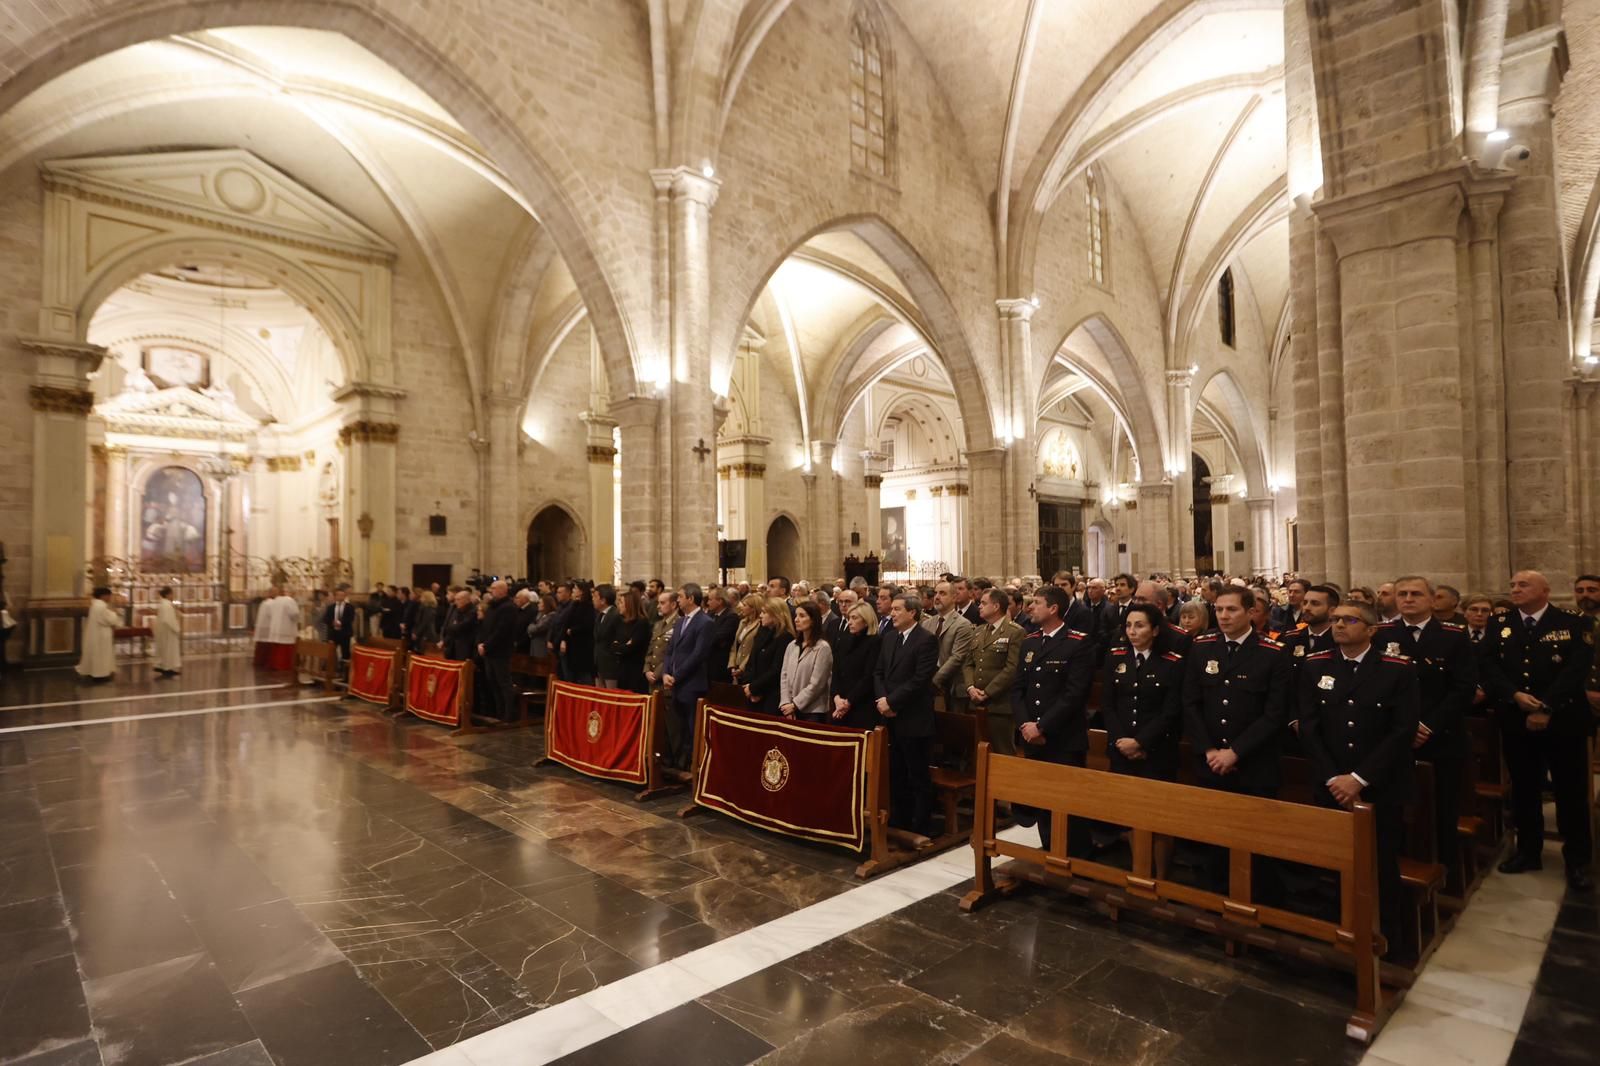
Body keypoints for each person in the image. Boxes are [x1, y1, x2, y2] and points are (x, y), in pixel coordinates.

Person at [1299, 602, 1420, 948]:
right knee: (1335, 863)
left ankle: (1386, 939)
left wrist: (1359, 779)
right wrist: (1334, 778)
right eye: (1336, 619)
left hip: (1380, 784)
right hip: (1331, 783)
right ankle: (1340, 934)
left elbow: (1401, 730)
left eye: (1349, 620)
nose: (1339, 625)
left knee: (1380, 863)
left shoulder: (1396, 669)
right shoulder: (1314, 665)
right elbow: (1309, 727)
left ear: (1371, 630)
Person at [1480, 571, 1594, 891]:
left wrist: (1545, 707)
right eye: (1513, 585)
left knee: (1570, 791)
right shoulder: (1500, 622)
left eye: (1523, 585)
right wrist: (1514, 695)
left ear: (1545, 590)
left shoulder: (1573, 621)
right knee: (1524, 787)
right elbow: (1488, 664)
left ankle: (1578, 860)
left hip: (1564, 719)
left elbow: (1577, 668)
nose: (1515, 589)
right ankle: (1528, 852)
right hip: (1516, 717)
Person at [1382, 575, 1475, 888]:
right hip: (1395, 738)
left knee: (1443, 809)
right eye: (1403, 594)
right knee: (1397, 810)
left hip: (1441, 735)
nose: (1408, 599)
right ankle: (1399, 870)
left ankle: (1445, 872)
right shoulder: (1382, 634)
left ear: (1432, 599)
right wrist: (1403, 727)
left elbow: (1462, 688)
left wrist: (1428, 725)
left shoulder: (1453, 635)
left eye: (1416, 594)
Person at [1182, 586, 1291, 798]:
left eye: (1231, 609)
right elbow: (1190, 702)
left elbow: (1275, 713)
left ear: (1250, 612)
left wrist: (1235, 752)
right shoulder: (1202, 646)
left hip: (1254, 762)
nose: (1223, 616)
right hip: (1210, 760)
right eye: (1218, 609)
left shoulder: (1273, 652)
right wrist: (1209, 750)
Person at [1012, 585, 1098, 848]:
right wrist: (1026, 725)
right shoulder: (1030, 641)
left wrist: (1042, 726)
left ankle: (1077, 858)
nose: (1030, 607)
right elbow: (1019, 688)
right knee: (1043, 801)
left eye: (1036, 603)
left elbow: (1074, 695)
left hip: (1063, 738)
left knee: (1069, 804)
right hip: (1032, 736)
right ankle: (1050, 852)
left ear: (1053, 608)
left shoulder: (1078, 643)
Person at [873, 593, 940, 837]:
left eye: (897, 609)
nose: (892, 613)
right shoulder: (890, 638)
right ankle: (900, 821)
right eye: (892, 609)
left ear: (912, 612)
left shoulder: (926, 640)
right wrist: (882, 700)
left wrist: (892, 701)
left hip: (913, 717)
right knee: (896, 772)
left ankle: (921, 825)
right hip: (889, 715)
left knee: (917, 774)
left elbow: (920, 680)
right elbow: (878, 672)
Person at [964, 587, 1025, 755]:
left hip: (999, 703)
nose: (979, 607)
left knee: (1002, 751)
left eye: (983, 603)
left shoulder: (1015, 632)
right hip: (975, 700)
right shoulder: (978, 631)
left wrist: (988, 692)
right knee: (978, 751)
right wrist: (970, 687)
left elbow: (1012, 668)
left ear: (996, 606)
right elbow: (968, 664)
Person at [661, 583, 715, 767]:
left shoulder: (705, 622)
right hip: (675, 683)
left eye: (680, 597)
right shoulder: (680, 621)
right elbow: (670, 650)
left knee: (693, 728)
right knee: (679, 727)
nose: (677, 600)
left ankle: (695, 765)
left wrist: (676, 676)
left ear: (691, 599)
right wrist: (666, 673)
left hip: (692, 684)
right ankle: (680, 763)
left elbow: (698, 655)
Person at [923, 581, 976, 712]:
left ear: (954, 597)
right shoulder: (927, 623)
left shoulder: (963, 624)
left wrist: (934, 681)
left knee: (953, 728)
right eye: (935, 593)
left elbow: (957, 657)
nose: (937, 597)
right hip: (928, 682)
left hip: (953, 686)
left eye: (942, 593)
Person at [780, 601, 834, 722]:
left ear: (813, 620)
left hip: (812, 711)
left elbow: (817, 684)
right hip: (789, 708)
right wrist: (785, 703)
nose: (796, 619)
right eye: (796, 615)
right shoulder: (792, 645)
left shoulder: (822, 647)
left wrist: (795, 705)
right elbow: (784, 676)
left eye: (802, 616)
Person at [830, 601, 882, 729]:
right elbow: (835, 671)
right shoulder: (844, 639)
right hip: (839, 703)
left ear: (866, 620)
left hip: (861, 705)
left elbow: (868, 677)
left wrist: (848, 702)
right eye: (848, 618)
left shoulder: (875, 642)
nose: (849, 622)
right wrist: (836, 698)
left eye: (854, 618)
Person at [743, 597, 794, 715]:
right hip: (753, 693)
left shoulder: (785, 637)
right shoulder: (762, 633)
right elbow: (751, 662)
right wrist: (749, 686)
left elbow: (776, 670)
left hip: (771, 695)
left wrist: (755, 688)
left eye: (764, 612)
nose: (760, 615)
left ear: (776, 615)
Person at [476, 580, 518, 720]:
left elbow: (501, 631)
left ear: (502, 590)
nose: (491, 591)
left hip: (500, 651)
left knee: (503, 683)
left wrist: (486, 645)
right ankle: (499, 712)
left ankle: (508, 714)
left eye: (494, 588)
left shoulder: (508, 607)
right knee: (493, 682)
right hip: (489, 651)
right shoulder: (493, 606)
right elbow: (486, 627)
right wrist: (481, 643)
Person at [77, 586, 119, 683]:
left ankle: (96, 672)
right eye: (109, 596)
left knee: (97, 653)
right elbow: (108, 619)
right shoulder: (101, 606)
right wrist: (115, 615)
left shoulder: (95, 605)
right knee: (101, 654)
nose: (110, 598)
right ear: (103, 596)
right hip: (101, 635)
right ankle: (100, 674)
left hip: (97, 633)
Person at [253, 586, 300, 670]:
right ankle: (283, 665)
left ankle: (275, 665)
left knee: (276, 649)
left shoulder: (273, 602)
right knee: (285, 649)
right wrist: (297, 620)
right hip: (286, 629)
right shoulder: (289, 600)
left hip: (275, 628)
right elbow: (295, 614)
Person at [616, 588, 653, 694]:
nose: (619, 605)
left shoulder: (641, 623)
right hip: (622, 668)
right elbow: (613, 645)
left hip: (635, 670)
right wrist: (622, 645)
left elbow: (630, 648)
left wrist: (621, 646)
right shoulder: (622, 622)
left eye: (621, 602)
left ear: (629, 604)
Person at [705, 586, 740, 683]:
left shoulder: (731, 617)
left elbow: (718, 638)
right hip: (708, 663)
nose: (708, 603)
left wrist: (703, 636)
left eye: (710, 600)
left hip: (720, 664)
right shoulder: (710, 615)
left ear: (720, 601)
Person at [728, 591, 764, 684]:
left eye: (744, 605)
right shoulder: (742, 622)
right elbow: (735, 646)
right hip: (736, 666)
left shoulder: (760, 625)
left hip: (749, 667)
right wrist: (732, 665)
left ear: (753, 608)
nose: (741, 607)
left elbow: (754, 649)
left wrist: (741, 668)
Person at [592, 583, 622, 688]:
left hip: (610, 665)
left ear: (603, 600)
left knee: (610, 697)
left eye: (595, 597)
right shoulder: (599, 615)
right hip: (599, 663)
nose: (593, 599)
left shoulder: (615, 615)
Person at [441, 589, 479, 661]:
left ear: (466, 600)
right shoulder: (458, 609)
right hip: (453, 644)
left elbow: (462, 626)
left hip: (465, 646)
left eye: (458, 599)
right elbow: (450, 625)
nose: (456, 602)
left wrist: (454, 626)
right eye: (455, 599)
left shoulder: (473, 611)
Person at [153, 585, 182, 677]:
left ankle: (165, 667)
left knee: (165, 650)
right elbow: (168, 620)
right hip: (168, 632)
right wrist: (177, 628)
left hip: (164, 631)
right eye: (172, 593)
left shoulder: (164, 604)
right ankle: (167, 668)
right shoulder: (167, 605)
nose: (173, 595)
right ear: (168, 594)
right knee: (168, 650)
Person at [322, 586, 355, 661]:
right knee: (331, 651)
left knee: (345, 652)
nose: (340, 597)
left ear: (345, 596)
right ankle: (332, 667)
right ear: (335, 596)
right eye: (338, 595)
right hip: (333, 633)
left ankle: (344, 669)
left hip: (345, 632)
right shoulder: (330, 607)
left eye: (342, 595)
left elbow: (351, 618)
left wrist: (340, 623)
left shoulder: (349, 607)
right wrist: (332, 623)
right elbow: (325, 619)